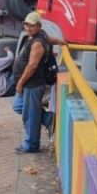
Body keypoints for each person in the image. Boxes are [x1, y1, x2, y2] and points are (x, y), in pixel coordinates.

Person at [12, 11, 66, 154]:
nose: (28, 28)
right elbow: (51, 39)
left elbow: (32, 66)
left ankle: (31, 144)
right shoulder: (40, 36)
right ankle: (48, 118)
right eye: (26, 25)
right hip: (30, 85)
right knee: (19, 106)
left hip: (32, 84)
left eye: (31, 26)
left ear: (39, 26)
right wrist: (61, 42)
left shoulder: (37, 43)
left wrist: (20, 83)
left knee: (30, 115)